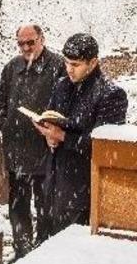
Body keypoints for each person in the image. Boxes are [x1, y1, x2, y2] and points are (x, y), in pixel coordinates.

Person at [33, 33, 128, 236]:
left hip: (84, 187)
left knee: (74, 252)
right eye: (67, 62)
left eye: (75, 64)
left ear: (93, 62)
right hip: (53, 182)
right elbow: (51, 117)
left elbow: (105, 148)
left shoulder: (110, 94)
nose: (69, 69)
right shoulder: (61, 85)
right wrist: (48, 135)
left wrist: (63, 137)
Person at [0, 23, 65, 258]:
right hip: (16, 149)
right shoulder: (11, 67)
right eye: (21, 43)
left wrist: (54, 129)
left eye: (30, 42)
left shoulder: (57, 66)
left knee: (46, 204)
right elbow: (0, 103)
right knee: (18, 205)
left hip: (45, 148)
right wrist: (4, 124)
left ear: (41, 39)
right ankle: (22, 250)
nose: (26, 47)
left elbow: (65, 106)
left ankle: (44, 251)